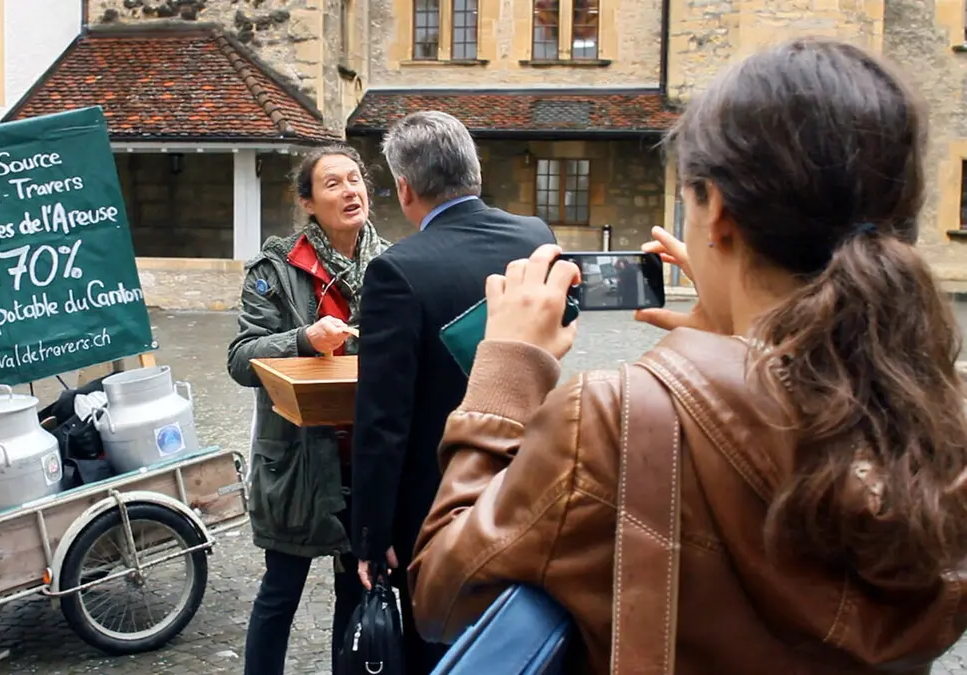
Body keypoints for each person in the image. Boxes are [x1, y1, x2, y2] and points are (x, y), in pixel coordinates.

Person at [408, 37, 967, 673]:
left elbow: (443, 595)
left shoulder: (614, 419)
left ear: (718, 211)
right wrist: (733, 327)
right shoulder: (937, 421)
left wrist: (506, 372)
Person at [350, 110, 557, 674]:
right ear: (475, 172)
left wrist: (371, 534)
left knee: (437, 644)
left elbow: (382, 419)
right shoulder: (537, 239)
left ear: (405, 188)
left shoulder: (396, 270)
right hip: (527, 477)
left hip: (437, 497)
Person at [227, 145, 390, 675]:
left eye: (356, 179)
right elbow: (239, 359)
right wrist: (302, 339)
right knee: (280, 592)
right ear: (308, 202)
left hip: (364, 458)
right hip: (296, 460)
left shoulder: (391, 266)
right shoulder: (274, 270)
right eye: (333, 184)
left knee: (354, 588)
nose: (350, 191)